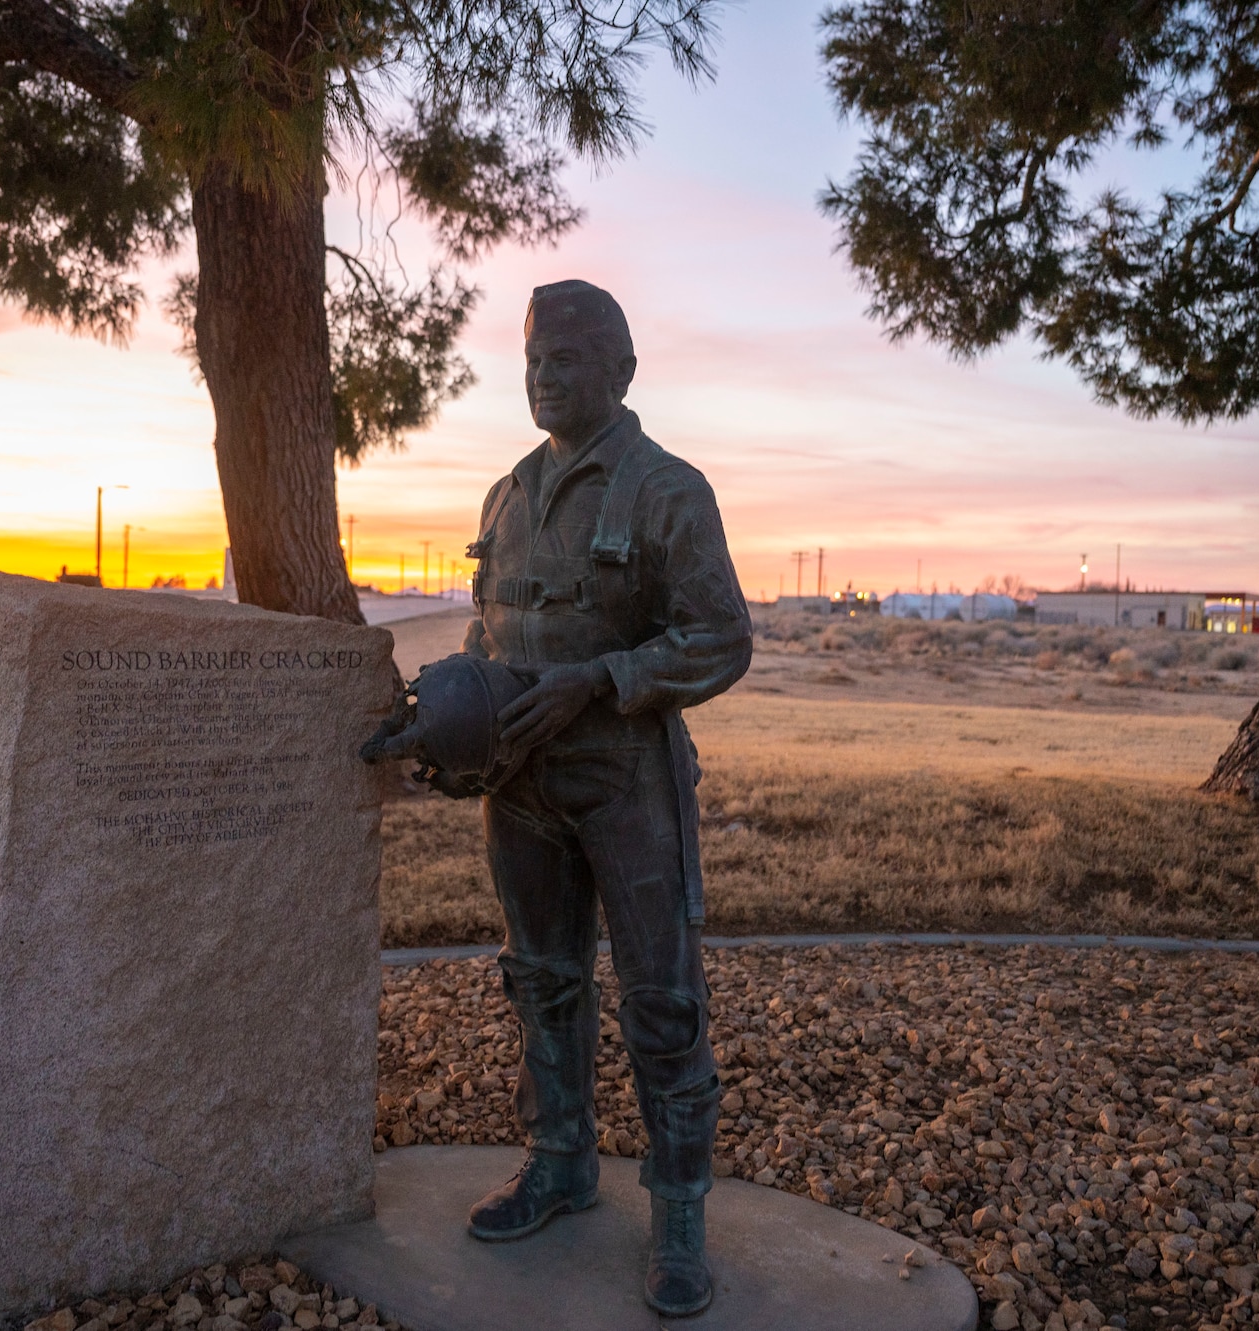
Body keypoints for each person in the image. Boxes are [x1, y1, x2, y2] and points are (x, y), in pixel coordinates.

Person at [384, 279, 751, 1316]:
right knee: (540, 981)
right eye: (534, 358)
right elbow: (485, 628)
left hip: (624, 783)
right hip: (521, 786)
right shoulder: (505, 493)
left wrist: (598, 681)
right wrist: (457, 714)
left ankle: (677, 1211)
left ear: (620, 373)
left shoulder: (666, 488)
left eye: (568, 359)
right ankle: (559, 1162)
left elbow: (720, 637)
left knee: (662, 1004)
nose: (545, 375)